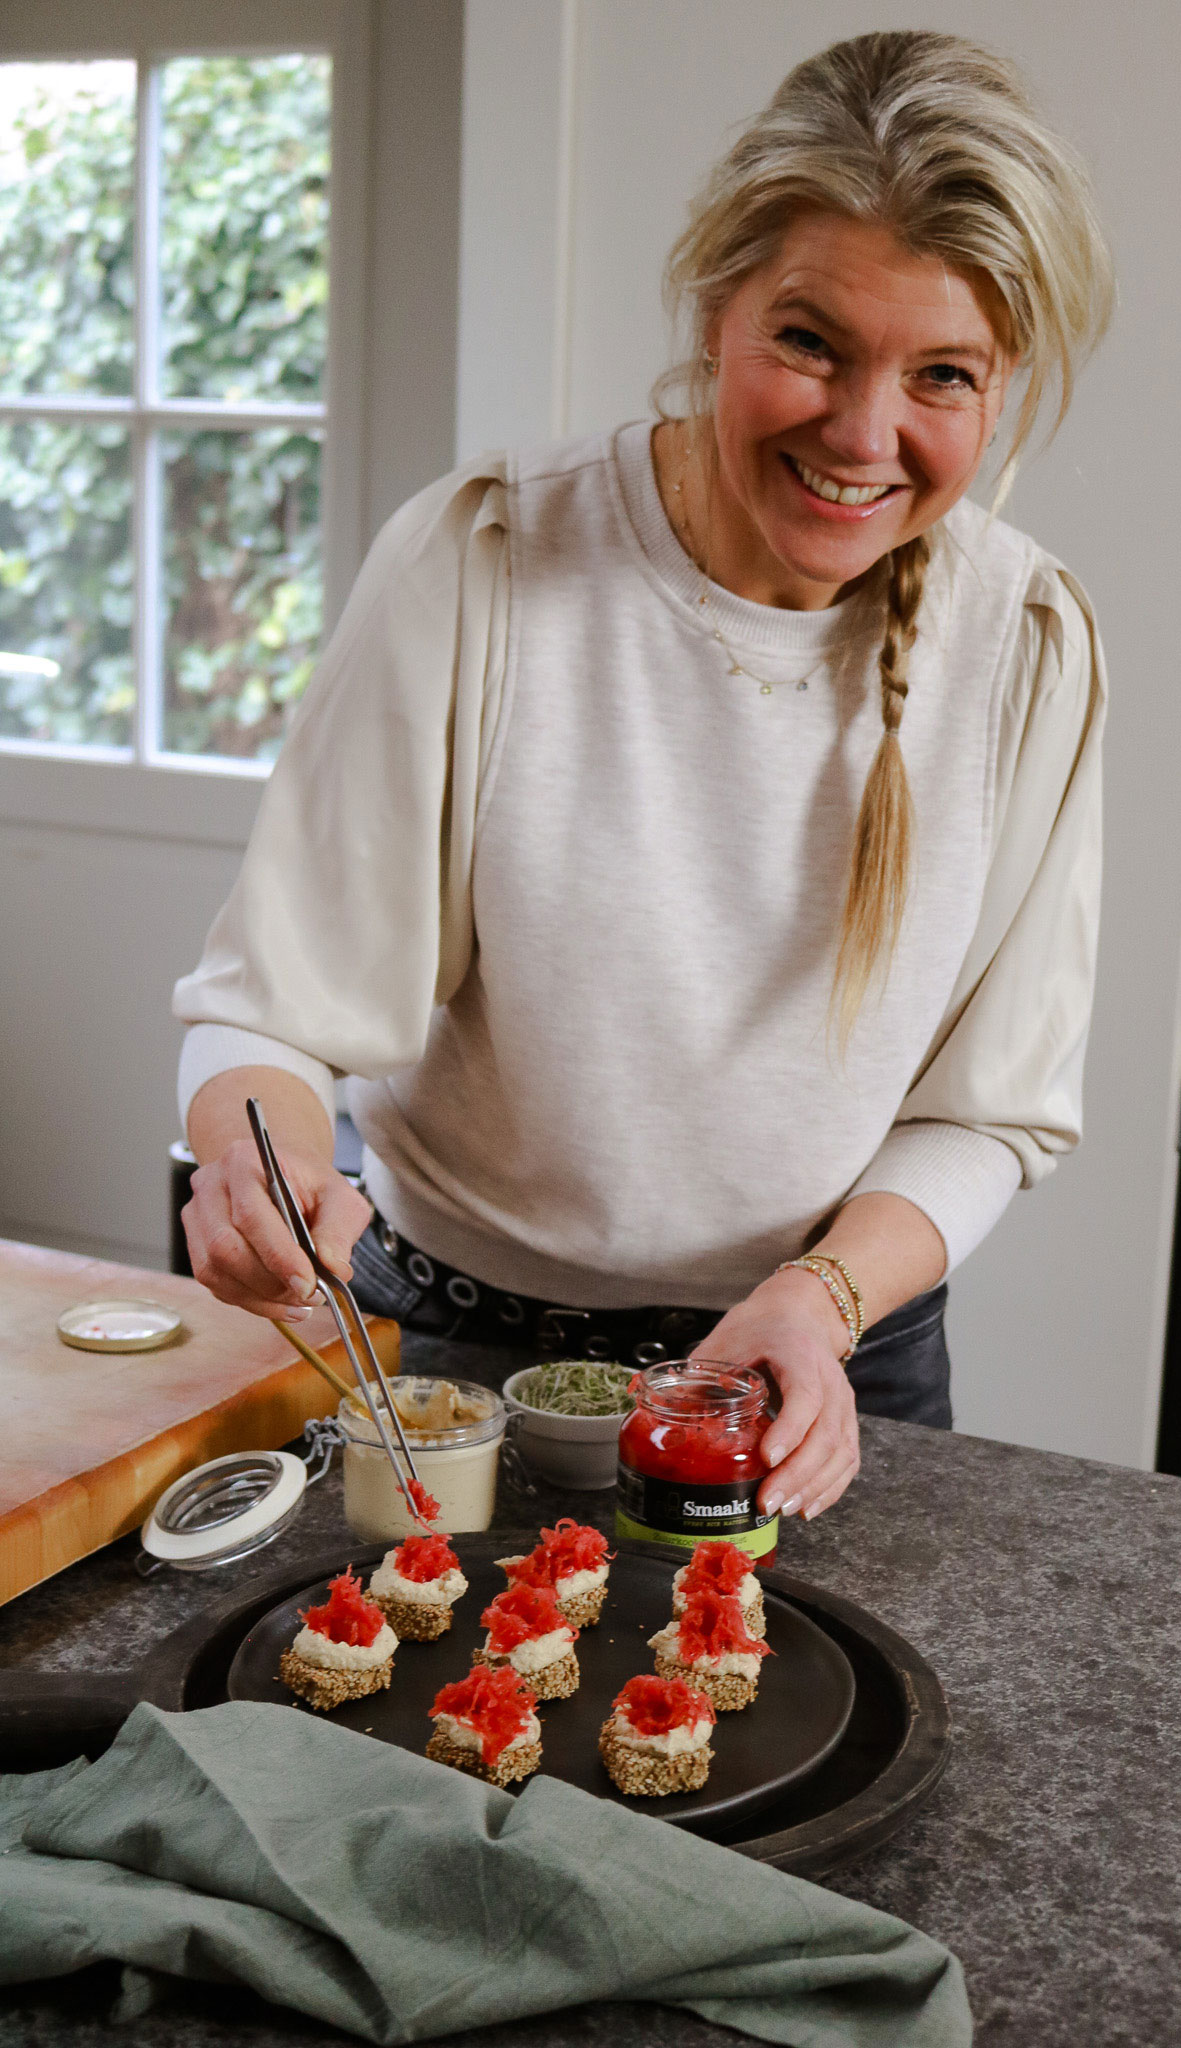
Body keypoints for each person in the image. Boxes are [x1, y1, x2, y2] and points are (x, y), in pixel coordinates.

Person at [174, 30, 1113, 1526]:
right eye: (808, 341)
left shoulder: (1029, 645)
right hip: (447, 1363)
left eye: (941, 375)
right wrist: (254, 1161)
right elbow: (262, 1014)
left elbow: (989, 1112)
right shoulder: (480, 561)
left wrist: (814, 1299)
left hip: (824, 1367)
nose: (862, 434)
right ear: (710, 307)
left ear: (999, 391)